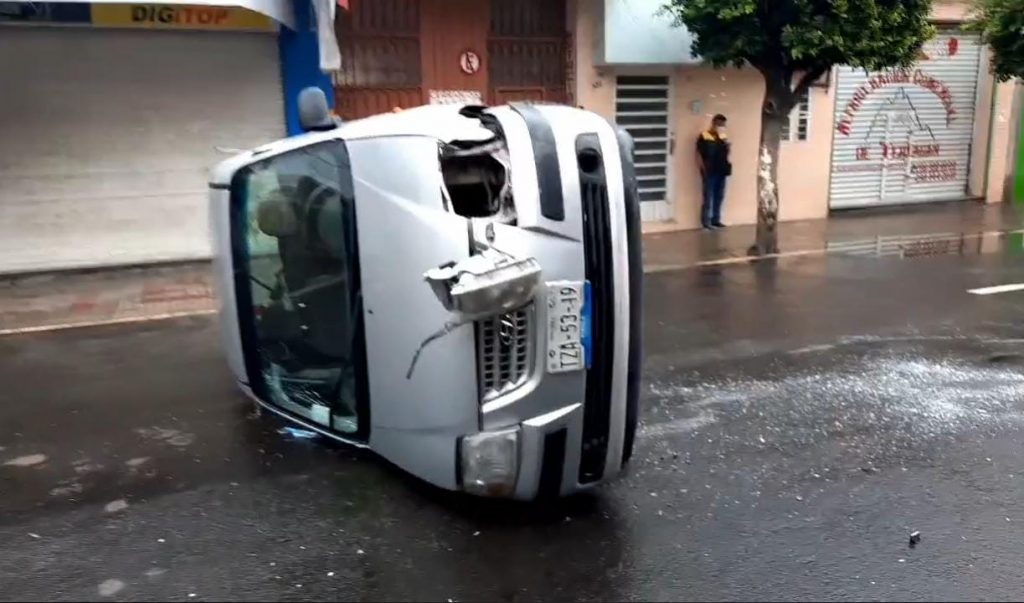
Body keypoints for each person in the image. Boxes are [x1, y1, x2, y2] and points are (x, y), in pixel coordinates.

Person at [696, 114, 732, 230]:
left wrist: (727, 145)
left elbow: (726, 153)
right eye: (720, 124)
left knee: (719, 196)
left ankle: (716, 220)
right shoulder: (704, 136)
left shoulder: (723, 137)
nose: (722, 127)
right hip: (709, 171)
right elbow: (698, 154)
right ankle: (706, 222)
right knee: (708, 197)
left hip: (721, 170)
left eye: (723, 125)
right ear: (714, 123)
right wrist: (702, 168)